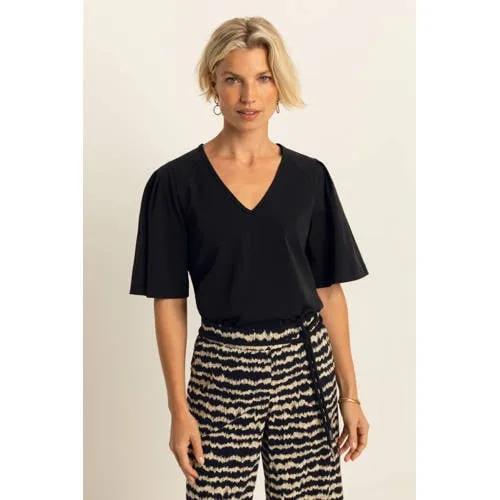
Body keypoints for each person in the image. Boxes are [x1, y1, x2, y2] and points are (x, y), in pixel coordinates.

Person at [129, 16, 370, 500]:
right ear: (212, 84)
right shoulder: (175, 184)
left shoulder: (310, 178)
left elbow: (328, 291)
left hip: (304, 366)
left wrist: (350, 395)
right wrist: (178, 408)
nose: (248, 96)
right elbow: (169, 300)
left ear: (279, 85)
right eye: (233, 79)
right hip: (222, 367)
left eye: (262, 78)